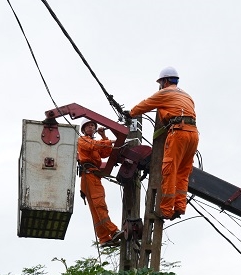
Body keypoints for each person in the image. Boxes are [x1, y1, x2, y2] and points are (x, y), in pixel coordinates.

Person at [124, 66, 198, 221]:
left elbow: (146, 104)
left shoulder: (164, 93)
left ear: (165, 81)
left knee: (169, 170)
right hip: (193, 134)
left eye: (160, 83)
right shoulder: (187, 96)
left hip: (178, 133)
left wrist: (130, 113)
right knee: (183, 172)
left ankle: (166, 210)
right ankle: (180, 207)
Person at [77, 121, 123, 248]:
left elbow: (106, 153)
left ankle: (104, 238)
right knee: (99, 205)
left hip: (92, 177)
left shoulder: (96, 143)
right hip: (89, 176)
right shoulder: (82, 140)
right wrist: (111, 141)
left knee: (96, 209)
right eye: (88, 126)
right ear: (83, 130)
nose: (91, 127)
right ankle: (113, 231)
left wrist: (104, 136)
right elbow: (93, 146)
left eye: (93, 126)